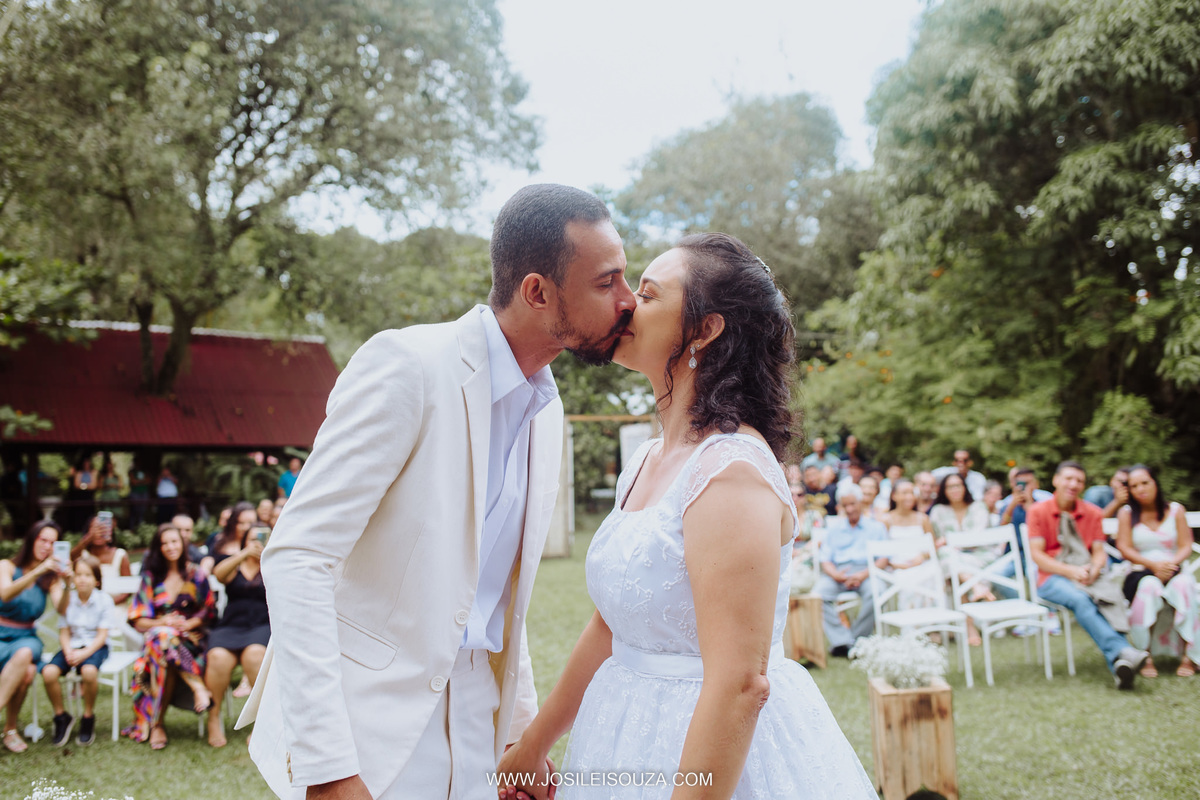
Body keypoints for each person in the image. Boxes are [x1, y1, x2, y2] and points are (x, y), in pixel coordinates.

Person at [238, 184, 636, 800]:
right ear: (538, 292)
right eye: (607, 282)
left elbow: (499, 597)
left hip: (481, 723)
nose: (629, 302)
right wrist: (329, 766)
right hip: (370, 728)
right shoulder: (408, 365)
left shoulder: (548, 409)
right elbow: (298, 557)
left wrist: (519, 736)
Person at [496, 232, 876, 800]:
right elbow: (613, 623)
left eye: (647, 295)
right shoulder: (647, 461)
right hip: (621, 732)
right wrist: (532, 745)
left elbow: (740, 684)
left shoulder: (730, 472)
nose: (625, 303)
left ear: (706, 328)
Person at [1027, 461, 1149, 689]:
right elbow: (1038, 555)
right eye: (1068, 478)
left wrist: (1093, 570)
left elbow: (1099, 552)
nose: (1073, 484)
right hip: (1052, 577)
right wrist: (1070, 571)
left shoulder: (1092, 513)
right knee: (1080, 599)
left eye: (1079, 481)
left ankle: (1121, 665)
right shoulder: (1038, 511)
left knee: (1110, 596)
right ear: (1056, 480)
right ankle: (1123, 651)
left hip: (1087, 573)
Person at [123, 522, 216, 748]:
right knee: (162, 639)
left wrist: (188, 624)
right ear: (158, 547)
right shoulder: (150, 577)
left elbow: (208, 610)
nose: (169, 547)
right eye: (164, 543)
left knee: (161, 652)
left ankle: (157, 725)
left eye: (174, 541)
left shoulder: (196, 574)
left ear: (182, 544)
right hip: (159, 642)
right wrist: (162, 622)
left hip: (191, 643)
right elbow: (138, 620)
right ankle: (198, 688)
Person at [1114, 464, 1197, 678]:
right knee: (1148, 586)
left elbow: (1186, 545)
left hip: (1173, 569)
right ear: (1130, 490)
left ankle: (1191, 656)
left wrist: (1170, 565)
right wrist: (1153, 566)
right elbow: (1124, 547)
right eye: (1134, 486)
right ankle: (1145, 654)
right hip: (1141, 571)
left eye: (1145, 483)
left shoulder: (1176, 510)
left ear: (1155, 483)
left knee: (1185, 584)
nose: (1140, 489)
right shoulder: (1126, 513)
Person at [0, 520, 69, 753]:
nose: (47, 546)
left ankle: (9, 728)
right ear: (32, 539)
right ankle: (10, 730)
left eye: (53, 543)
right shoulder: (6, 566)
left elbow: (61, 608)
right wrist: (40, 569)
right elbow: (6, 594)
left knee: (26, 653)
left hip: (26, 636)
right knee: (28, 672)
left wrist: (68, 583)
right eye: (43, 540)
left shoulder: (51, 580)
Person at [205, 514, 270, 747]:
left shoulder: (273, 562)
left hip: (262, 624)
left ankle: (262, 724)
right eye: (253, 539)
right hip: (232, 624)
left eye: (263, 538)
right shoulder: (235, 562)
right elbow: (219, 574)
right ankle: (213, 718)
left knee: (254, 655)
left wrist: (267, 556)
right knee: (217, 657)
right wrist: (243, 554)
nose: (257, 543)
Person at [41, 553, 114, 747]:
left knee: (89, 672)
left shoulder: (104, 600)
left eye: (87, 575)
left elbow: (101, 636)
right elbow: (64, 631)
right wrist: (67, 651)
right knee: (48, 672)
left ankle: (87, 716)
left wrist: (83, 653)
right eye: (78, 574)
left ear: (96, 580)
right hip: (71, 646)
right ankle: (61, 716)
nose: (82, 579)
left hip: (94, 646)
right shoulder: (69, 599)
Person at [817, 484, 890, 658]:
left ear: (861, 503)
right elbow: (825, 559)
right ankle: (841, 641)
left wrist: (862, 574)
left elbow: (883, 559)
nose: (849, 509)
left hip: (866, 572)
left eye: (853, 504)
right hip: (839, 574)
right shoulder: (833, 529)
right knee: (818, 594)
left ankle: (857, 640)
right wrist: (836, 575)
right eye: (845, 505)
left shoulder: (876, 527)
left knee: (877, 592)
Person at [70, 514, 134, 604]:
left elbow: (128, 590)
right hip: (87, 606)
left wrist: (106, 605)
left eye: (104, 528)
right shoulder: (83, 555)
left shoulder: (120, 555)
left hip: (114, 606)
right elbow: (70, 558)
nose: (99, 532)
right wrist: (88, 538)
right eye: (95, 528)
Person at [201, 502, 256, 576]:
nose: (246, 527)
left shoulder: (259, 545)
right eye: (241, 523)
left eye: (251, 523)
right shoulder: (220, 541)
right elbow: (209, 559)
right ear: (233, 523)